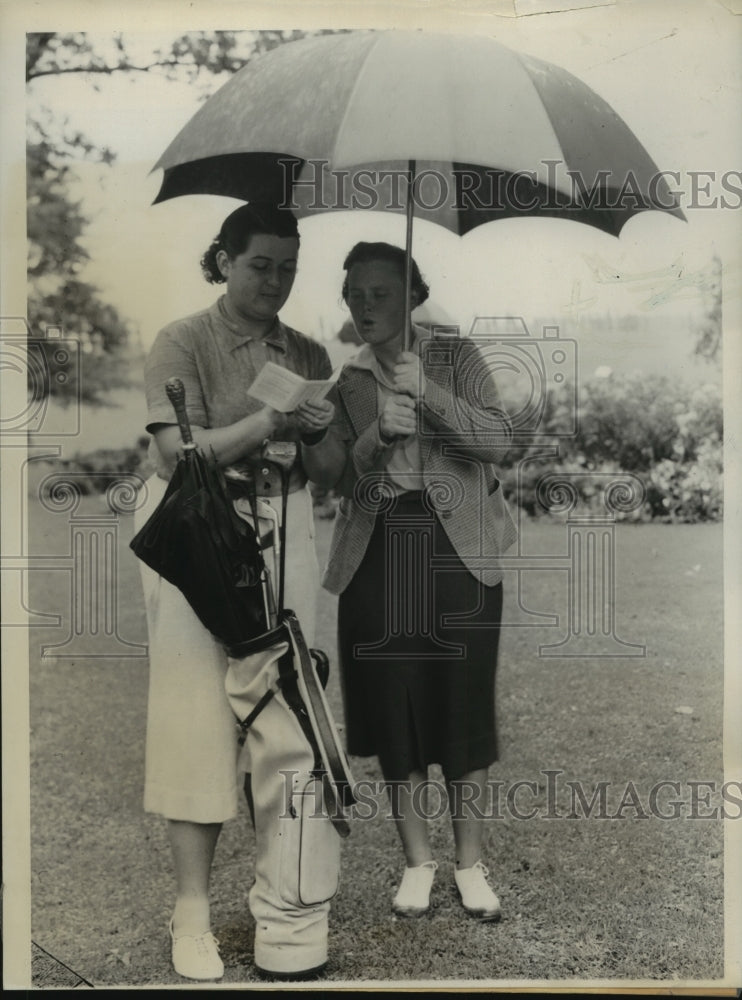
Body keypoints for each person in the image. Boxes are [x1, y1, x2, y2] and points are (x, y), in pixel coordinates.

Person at [133, 203, 337, 982]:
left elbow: (327, 477)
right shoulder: (181, 338)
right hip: (195, 527)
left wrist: (320, 431)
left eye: (289, 265)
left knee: (286, 715)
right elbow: (171, 458)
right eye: (261, 264)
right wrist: (271, 416)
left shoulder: (308, 349)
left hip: (284, 523)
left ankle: (283, 911)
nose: (276, 280)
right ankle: (191, 913)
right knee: (194, 710)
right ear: (223, 260)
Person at [301, 241, 517, 923]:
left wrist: (427, 393)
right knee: (393, 709)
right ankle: (418, 863)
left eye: (380, 293)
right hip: (380, 550)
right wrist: (377, 439)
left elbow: (497, 441)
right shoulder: (347, 385)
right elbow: (336, 477)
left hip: (459, 552)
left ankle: (470, 863)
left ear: (412, 295)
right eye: (355, 294)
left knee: (461, 704)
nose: (365, 305)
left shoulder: (456, 357)